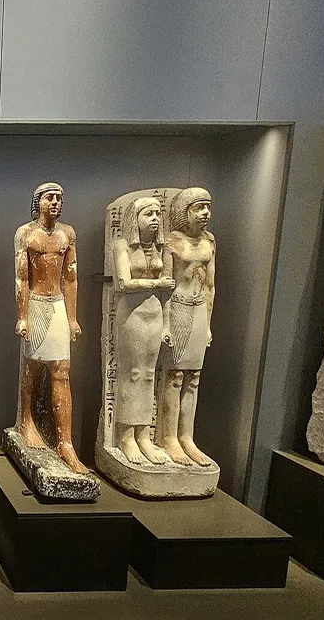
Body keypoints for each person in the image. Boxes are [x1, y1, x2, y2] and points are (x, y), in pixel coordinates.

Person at [14, 182, 88, 474]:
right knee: (31, 368)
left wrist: (72, 318)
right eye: (50, 197)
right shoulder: (26, 234)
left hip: (57, 305)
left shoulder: (67, 234)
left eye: (59, 198)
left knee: (62, 371)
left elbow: (70, 278)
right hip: (35, 304)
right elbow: (22, 278)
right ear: (38, 203)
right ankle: (26, 421)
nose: (55, 202)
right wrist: (22, 316)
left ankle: (65, 443)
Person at [111, 196, 176, 464]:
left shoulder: (161, 249)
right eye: (148, 214)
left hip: (155, 313)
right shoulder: (122, 246)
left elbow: (168, 292)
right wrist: (157, 284)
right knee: (133, 373)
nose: (155, 219)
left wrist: (167, 325)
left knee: (150, 374)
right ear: (134, 219)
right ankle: (126, 436)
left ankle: (144, 435)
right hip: (132, 314)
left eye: (158, 214)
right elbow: (124, 283)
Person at [158, 187, 215, 466]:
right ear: (184, 211)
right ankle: (169, 437)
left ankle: (187, 437)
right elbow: (166, 286)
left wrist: (208, 325)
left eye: (208, 207)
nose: (205, 213)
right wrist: (165, 324)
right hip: (178, 307)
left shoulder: (209, 241)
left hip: (199, 309)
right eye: (198, 208)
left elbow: (211, 286)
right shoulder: (172, 242)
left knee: (194, 378)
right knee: (175, 376)